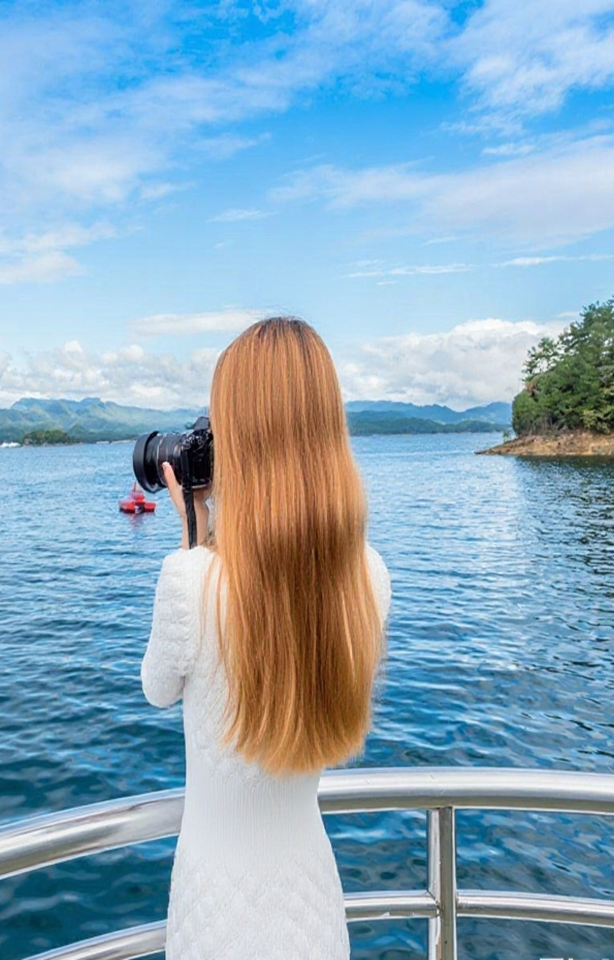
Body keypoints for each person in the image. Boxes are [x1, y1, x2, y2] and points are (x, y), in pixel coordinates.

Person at [142, 317, 391, 960]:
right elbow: (279, 583)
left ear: (239, 441)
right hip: (311, 895)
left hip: (215, 904)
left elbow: (157, 690)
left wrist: (197, 538)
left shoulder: (191, 580)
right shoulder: (370, 575)